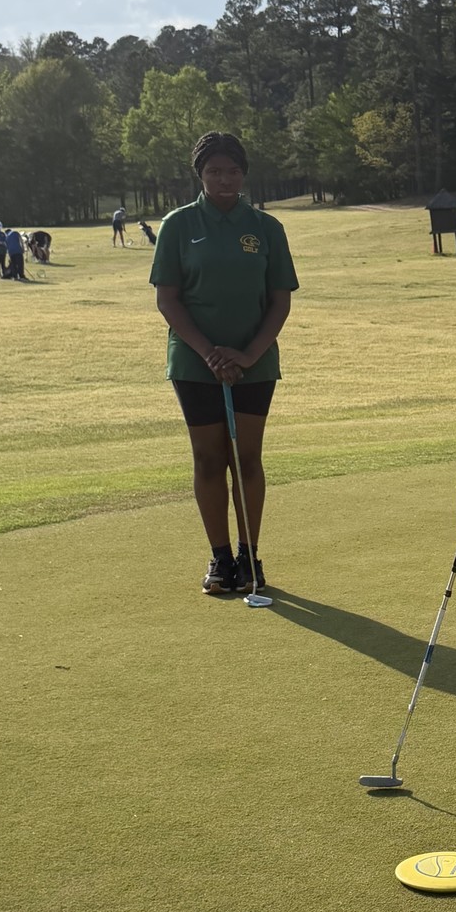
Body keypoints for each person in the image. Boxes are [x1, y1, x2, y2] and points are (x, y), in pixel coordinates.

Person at [150, 131, 299, 595]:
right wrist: (209, 353)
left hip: (254, 361)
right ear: (200, 174)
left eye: (232, 170)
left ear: (244, 173)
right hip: (195, 363)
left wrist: (250, 353)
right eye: (214, 170)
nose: (224, 179)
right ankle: (220, 560)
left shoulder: (267, 228)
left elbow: (279, 301)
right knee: (209, 459)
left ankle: (249, 556)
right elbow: (168, 299)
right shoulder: (178, 225)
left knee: (247, 458)